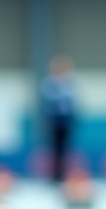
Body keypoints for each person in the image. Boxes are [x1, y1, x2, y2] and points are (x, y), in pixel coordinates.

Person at [41, 56, 78, 184]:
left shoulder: (70, 82)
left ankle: (64, 173)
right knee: (55, 149)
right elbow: (49, 101)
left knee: (66, 149)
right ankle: (55, 175)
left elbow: (73, 101)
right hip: (55, 121)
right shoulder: (49, 82)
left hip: (66, 121)